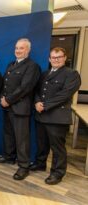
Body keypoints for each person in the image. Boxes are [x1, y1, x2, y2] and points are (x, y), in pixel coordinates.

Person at [32, 47, 81, 185]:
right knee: (42, 143)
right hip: (41, 115)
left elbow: (64, 94)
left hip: (57, 116)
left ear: (65, 58)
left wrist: (45, 105)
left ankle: (57, 173)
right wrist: (36, 102)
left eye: (59, 57)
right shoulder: (44, 74)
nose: (56, 60)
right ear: (49, 59)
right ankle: (40, 164)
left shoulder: (72, 74)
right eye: (53, 57)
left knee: (57, 147)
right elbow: (36, 91)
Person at [0, 38, 40, 181]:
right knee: (8, 134)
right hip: (8, 107)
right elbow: (5, 84)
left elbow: (25, 87)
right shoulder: (11, 64)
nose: (18, 50)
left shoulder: (32, 66)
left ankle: (23, 166)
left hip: (20, 107)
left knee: (22, 139)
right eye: (16, 48)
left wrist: (8, 100)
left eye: (21, 48)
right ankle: (9, 157)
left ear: (28, 50)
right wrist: (3, 98)